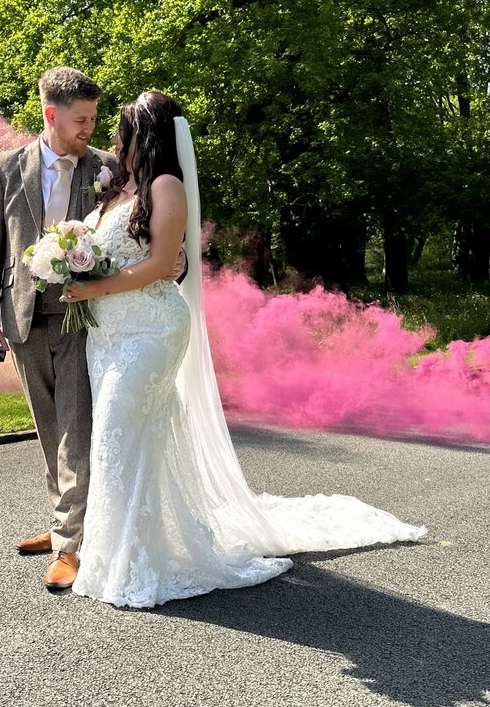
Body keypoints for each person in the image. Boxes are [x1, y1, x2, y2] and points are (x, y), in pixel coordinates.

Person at [62, 92, 427, 608]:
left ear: (144, 136)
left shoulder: (166, 186)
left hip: (150, 333)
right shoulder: (118, 192)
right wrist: (74, 265)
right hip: (107, 337)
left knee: (118, 437)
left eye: (122, 130)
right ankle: (123, 552)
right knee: (121, 442)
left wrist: (92, 289)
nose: (114, 141)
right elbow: (116, 256)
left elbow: (160, 262)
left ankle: (132, 561)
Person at [0, 66, 116, 592]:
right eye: (81, 120)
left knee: (76, 428)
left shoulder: (107, 167)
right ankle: (65, 523)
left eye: (95, 118)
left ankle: (69, 545)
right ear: (51, 116)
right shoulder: (8, 166)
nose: (90, 129)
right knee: (49, 427)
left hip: (84, 315)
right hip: (22, 316)